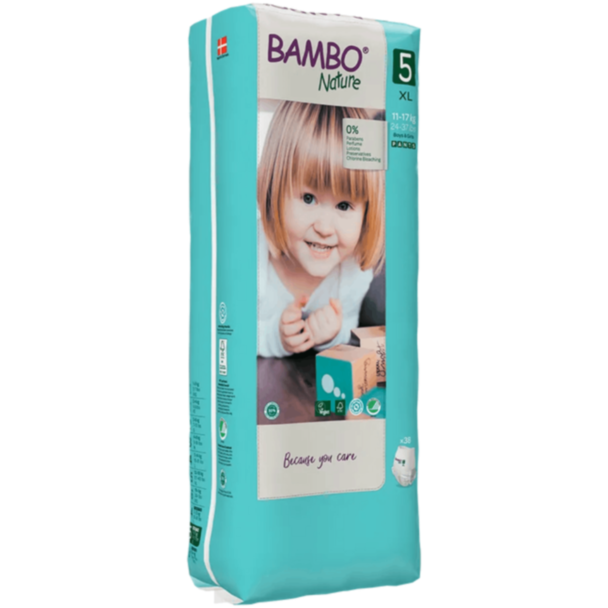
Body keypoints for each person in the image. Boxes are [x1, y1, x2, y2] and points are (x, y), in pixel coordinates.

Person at [257, 101, 384, 358]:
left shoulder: (353, 271)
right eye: (308, 198)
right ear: (273, 190)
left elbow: (348, 325)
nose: (325, 228)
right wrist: (275, 337)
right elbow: (226, 333)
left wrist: (331, 335)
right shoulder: (251, 256)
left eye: (344, 205)